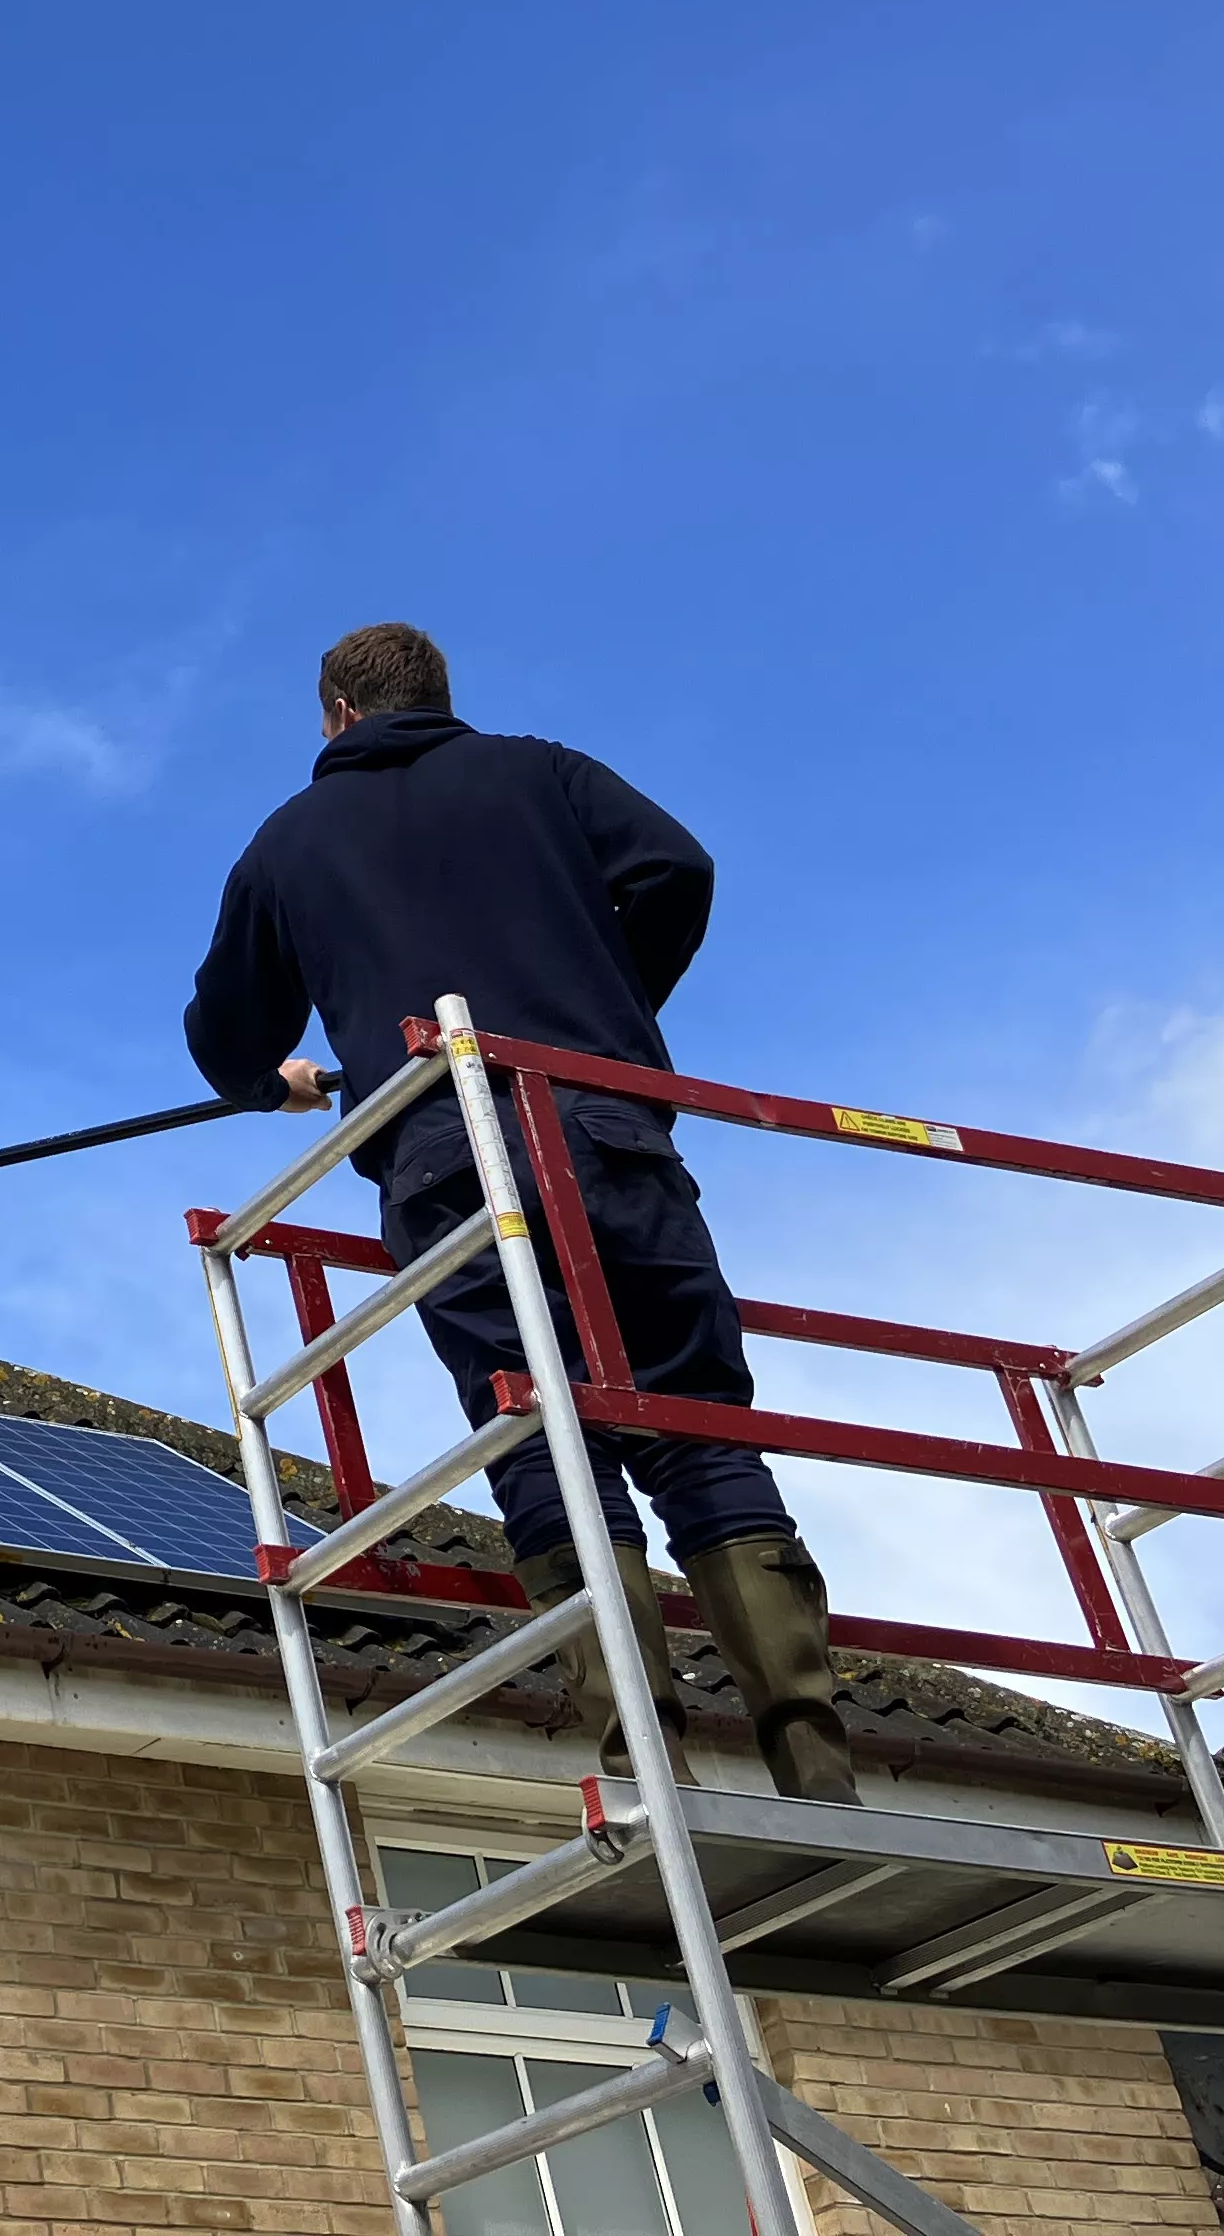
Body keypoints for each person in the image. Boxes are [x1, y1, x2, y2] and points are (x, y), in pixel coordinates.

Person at [183, 620, 855, 1803]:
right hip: (605, 1129)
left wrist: (270, 1085)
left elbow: (226, 1033)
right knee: (694, 1413)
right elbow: (676, 869)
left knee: (540, 1432)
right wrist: (600, 1014)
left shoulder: (287, 844)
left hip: (446, 1165)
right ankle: (810, 1757)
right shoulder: (540, 770)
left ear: (335, 715)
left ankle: (647, 1766)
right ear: (440, 697)